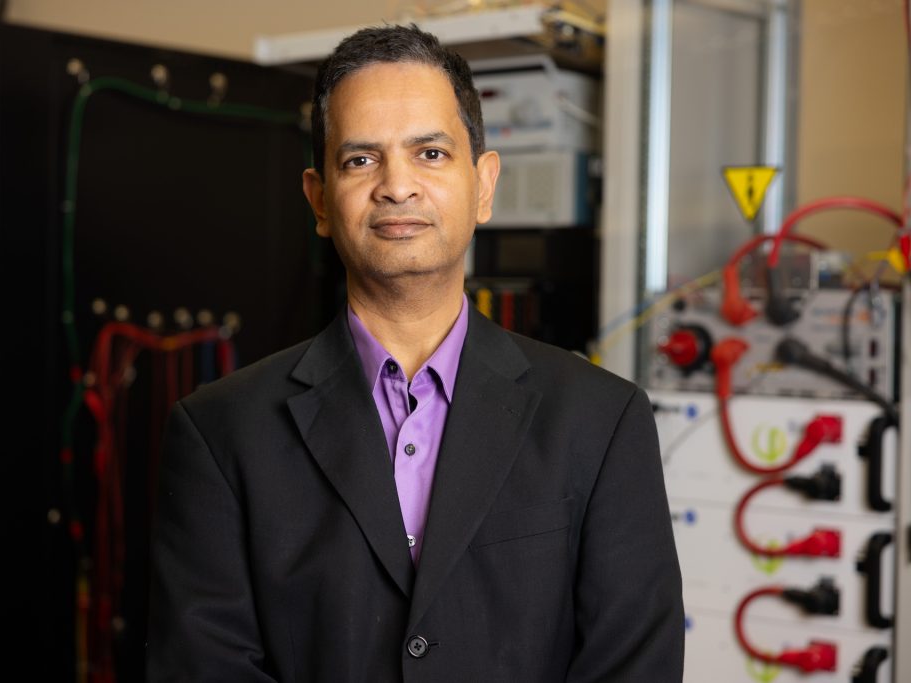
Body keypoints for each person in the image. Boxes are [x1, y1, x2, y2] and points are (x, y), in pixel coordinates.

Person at [147, 24, 683, 682]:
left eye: (429, 153)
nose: (396, 186)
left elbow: (634, 666)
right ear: (318, 199)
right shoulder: (220, 433)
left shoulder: (603, 421)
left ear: (484, 184)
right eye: (360, 159)